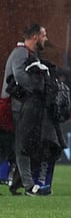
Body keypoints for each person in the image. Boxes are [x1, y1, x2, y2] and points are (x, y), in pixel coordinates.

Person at [4, 24, 52, 195]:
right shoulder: (21, 53)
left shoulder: (27, 54)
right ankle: (28, 186)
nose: (46, 39)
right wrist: (37, 89)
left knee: (15, 146)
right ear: (35, 37)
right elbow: (19, 76)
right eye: (44, 35)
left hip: (18, 106)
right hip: (16, 107)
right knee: (22, 146)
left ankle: (20, 184)